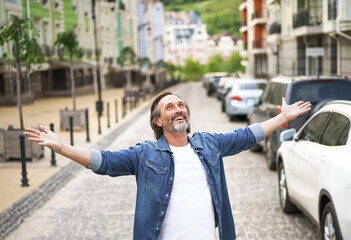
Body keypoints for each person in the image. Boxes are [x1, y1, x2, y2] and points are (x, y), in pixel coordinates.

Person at [24, 91, 311, 240]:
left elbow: (247, 135)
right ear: (158, 121)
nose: (179, 109)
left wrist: (282, 118)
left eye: (181, 105)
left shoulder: (209, 144)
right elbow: (104, 161)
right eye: (170, 107)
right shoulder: (145, 153)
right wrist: (61, 147)